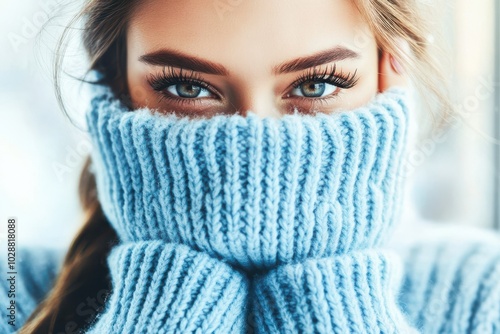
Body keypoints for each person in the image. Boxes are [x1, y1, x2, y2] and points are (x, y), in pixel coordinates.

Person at [2, 1, 499, 333]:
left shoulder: (484, 292)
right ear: (114, 88)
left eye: (316, 86)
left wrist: (332, 301)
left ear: (388, 77)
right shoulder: (14, 294)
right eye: (187, 88)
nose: (253, 135)